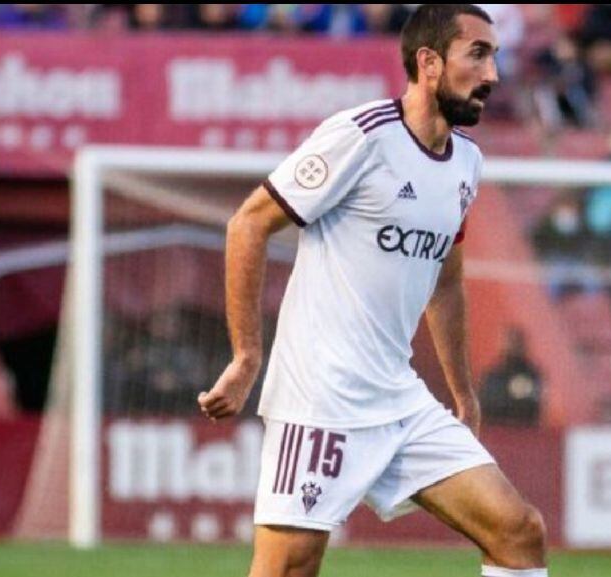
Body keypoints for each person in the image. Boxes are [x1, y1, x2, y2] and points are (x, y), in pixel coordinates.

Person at [196, 6, 548, 577]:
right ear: (430, 63)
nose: (493, 75)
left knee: (518, 532)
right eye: (478, 54)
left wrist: (463, 394)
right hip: (320, 398)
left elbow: (446, 281)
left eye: (495, 56)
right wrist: (245, 358)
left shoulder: (467, 163)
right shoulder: (360, 136)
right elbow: (248, 223)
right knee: (287, 570)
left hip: (398, 398)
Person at [479, 327, 543, 427]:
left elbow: (530, 408)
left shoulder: (531, 375)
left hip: (523, 433)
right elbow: (487, 404)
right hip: (497, 432)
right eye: (509, 342)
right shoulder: (494, 375)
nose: (511, 347)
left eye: (515, 342)